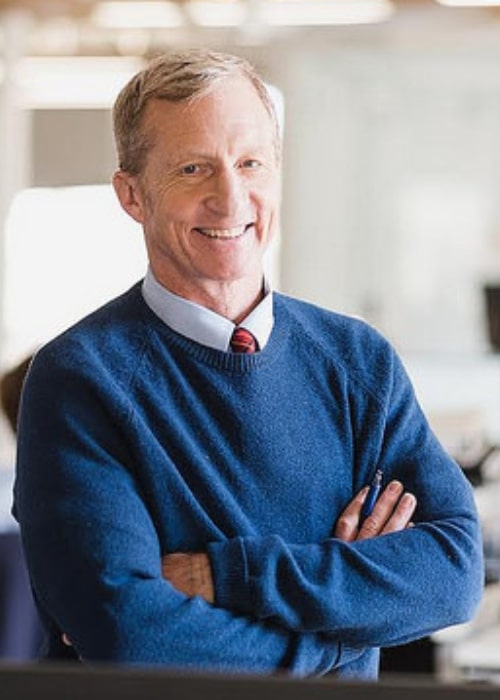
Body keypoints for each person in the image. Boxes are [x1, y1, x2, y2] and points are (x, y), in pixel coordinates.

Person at [13, 49, 483, 680]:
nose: (229, 197)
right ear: (132, 195)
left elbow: (451, 573)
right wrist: (340, 640)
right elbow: (129, 635)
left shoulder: (357, 359)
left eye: (250, 162)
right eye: (192, 168)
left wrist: (224, 576)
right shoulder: (79, 378)